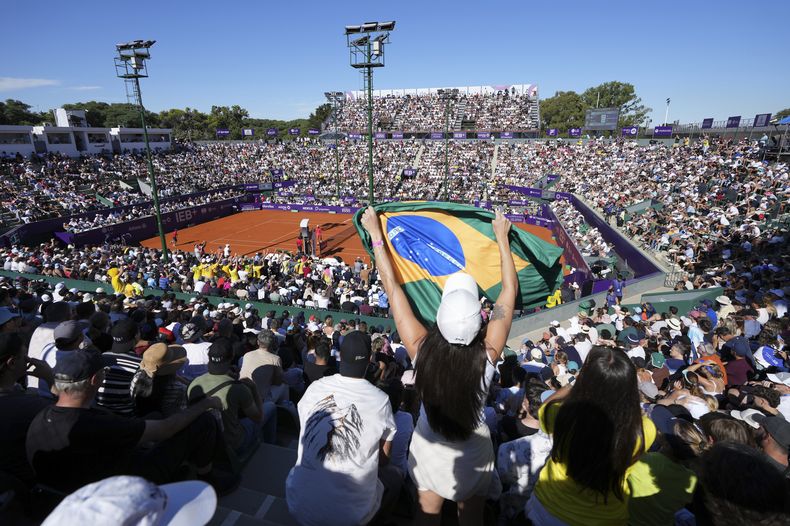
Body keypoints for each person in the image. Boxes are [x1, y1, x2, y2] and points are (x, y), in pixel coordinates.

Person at [360, 207, 517, 525]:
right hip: (473, 451)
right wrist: (502, 238)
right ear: (479, 319)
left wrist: (377, 235)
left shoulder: (420, 348)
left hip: (429, 445)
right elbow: (509, 291)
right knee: (472, 520)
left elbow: (392, 289)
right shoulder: (488, 352)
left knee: (426, 515)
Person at [25, 349, 236, 494]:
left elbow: (64, 399)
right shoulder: (99, 425)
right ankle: (208, 478)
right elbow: (165, 430)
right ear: (95, 380)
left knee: (153, 418)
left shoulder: (41, 414)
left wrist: (48, 377)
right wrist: (205, 404)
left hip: (72, 485)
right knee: (204, 421)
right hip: (125, 487)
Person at [527, 346, 656, 525]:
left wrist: (574, 384)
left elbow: (543, 408)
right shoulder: (644, 429)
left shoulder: (563, 414)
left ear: (585, 380)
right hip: (605, 518)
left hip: (549, 507)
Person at [286, 331, 400, 526]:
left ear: (339, 356)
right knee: (395, 476)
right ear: (370, 359)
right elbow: (384, 459)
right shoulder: (381, 400)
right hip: (352, 517)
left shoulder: (315, 387)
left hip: (298, 504)